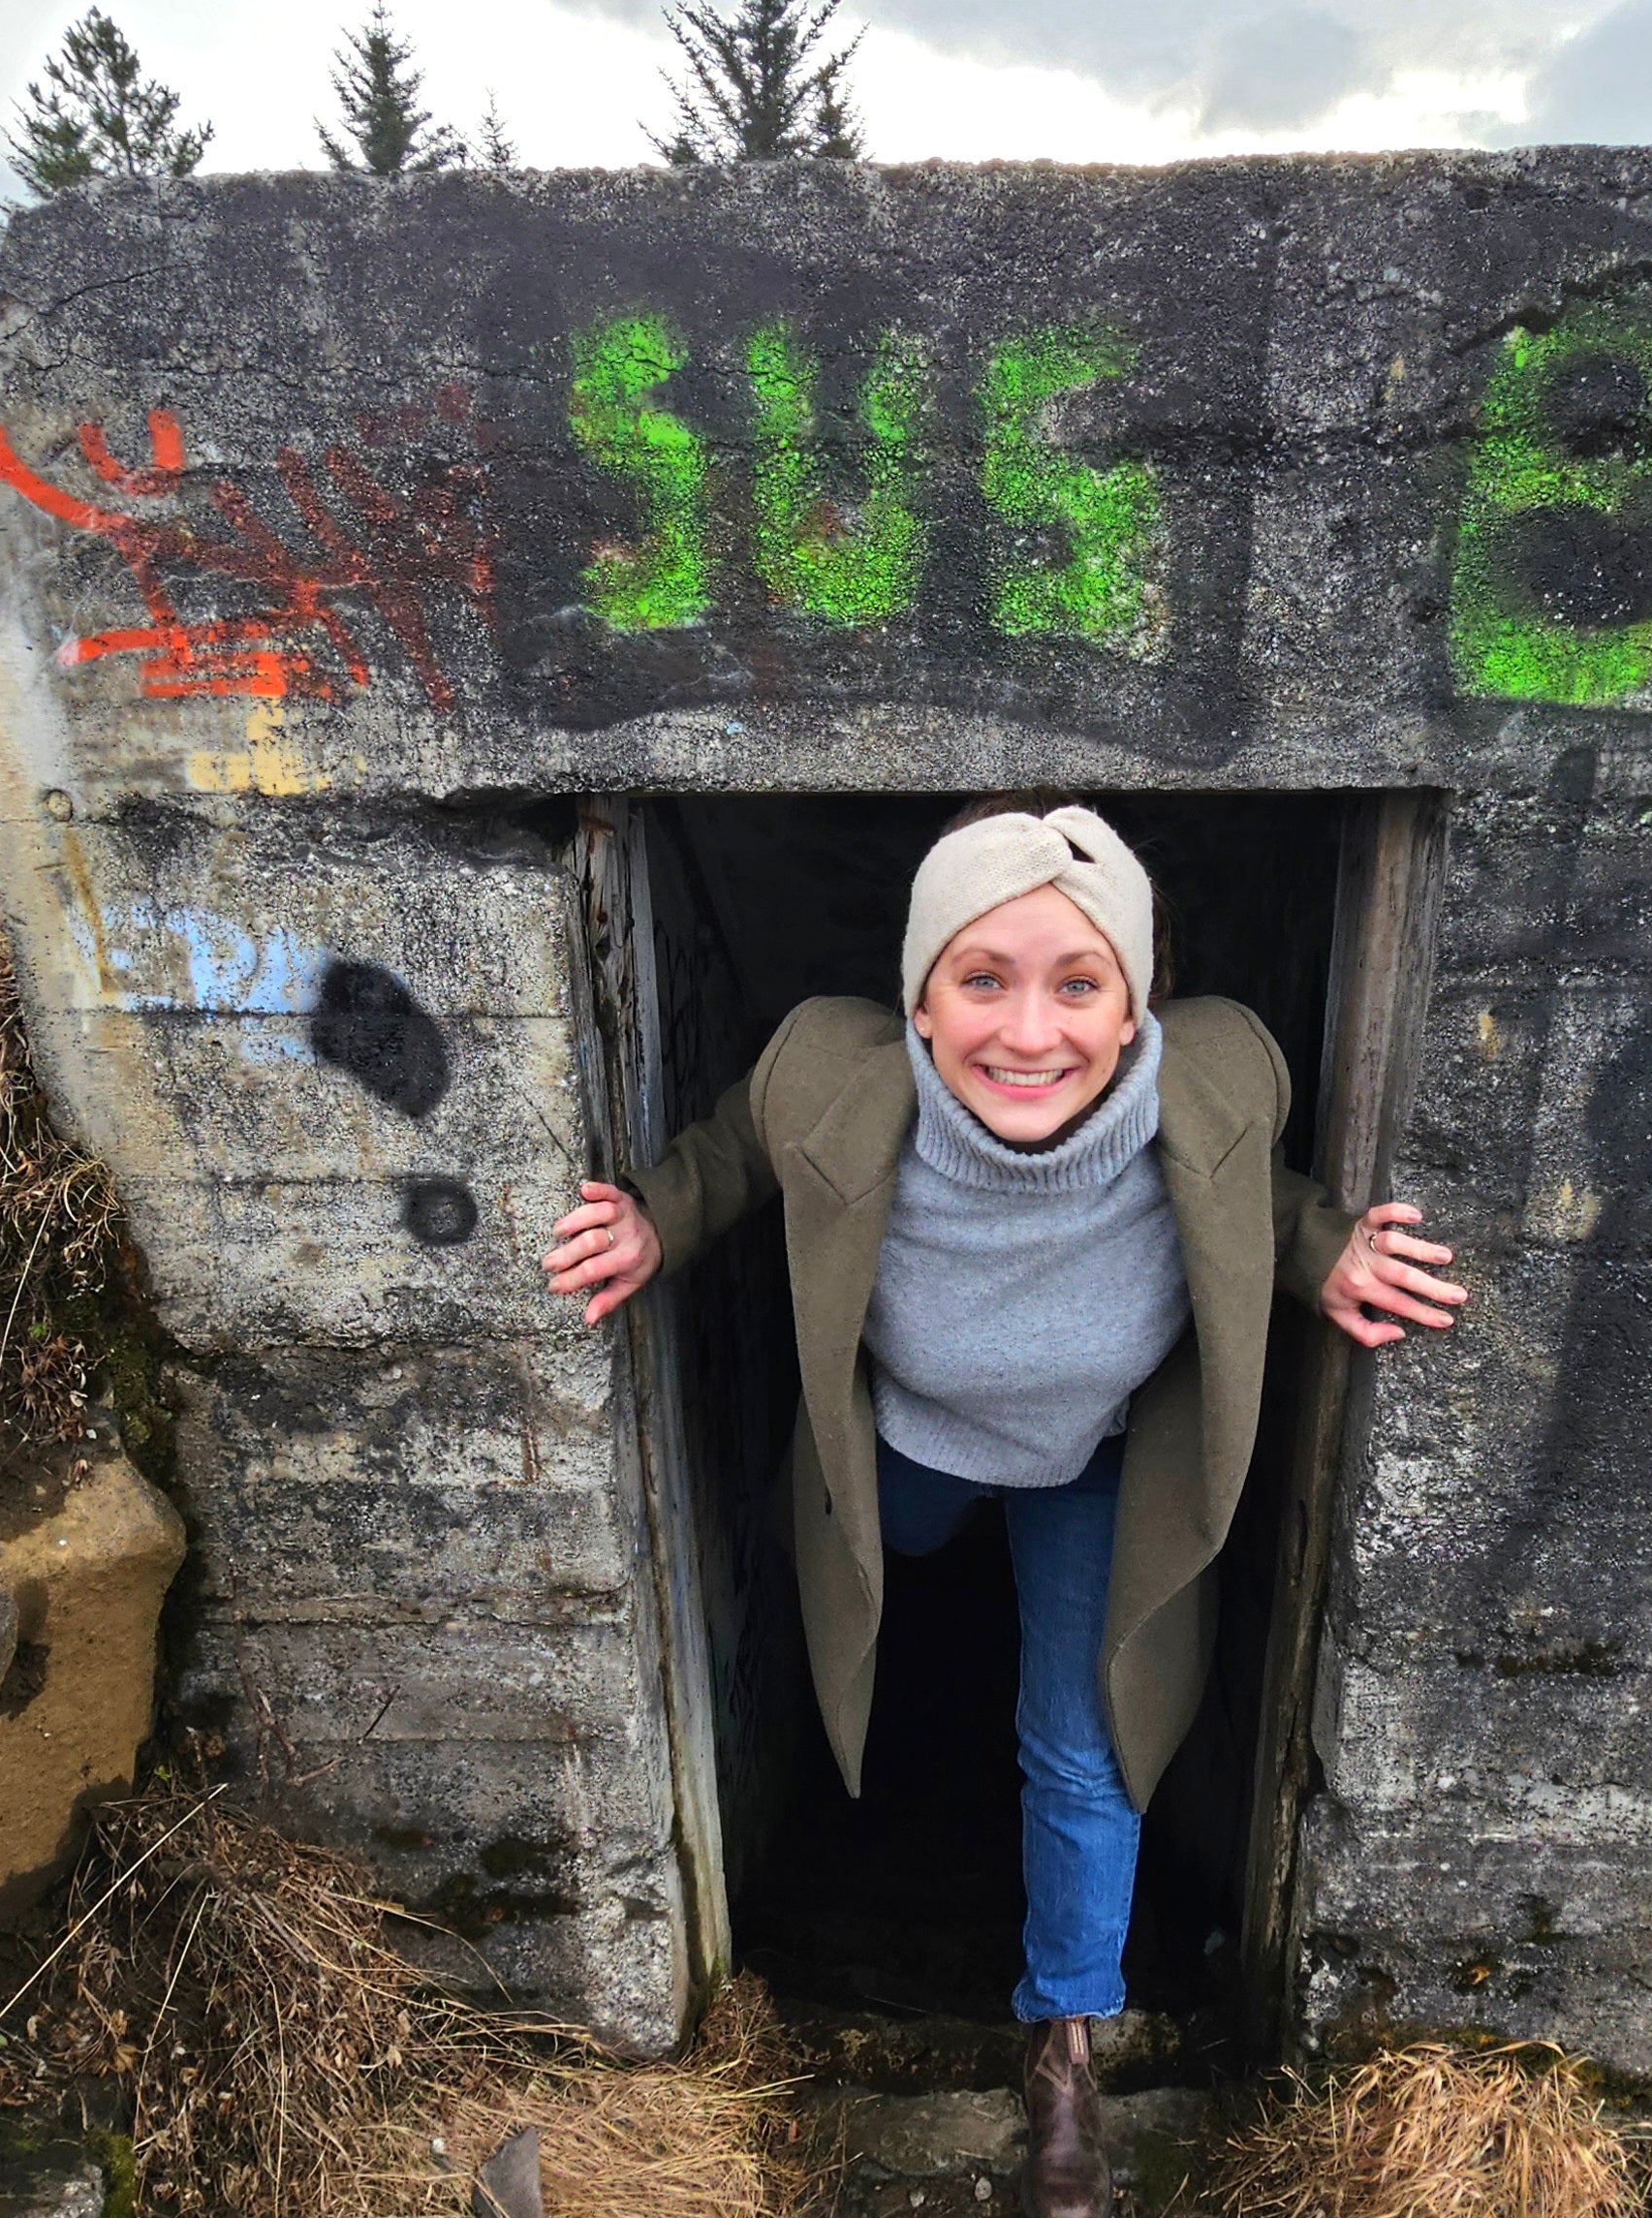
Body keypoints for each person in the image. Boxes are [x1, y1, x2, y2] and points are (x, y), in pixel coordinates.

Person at [542, 797, 1466, 2218]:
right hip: (912, 1442)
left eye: (1076, 983)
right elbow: (734, 1148)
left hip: (1098, 1456)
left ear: (1136, 1002)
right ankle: (944, 1582)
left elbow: (1253, 1197)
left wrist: (1329, 1251)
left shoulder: (1213, 1077)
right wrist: (656, 1216)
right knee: (901, 1557)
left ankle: (1064, 2054)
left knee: (1081, 1743)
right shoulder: (826, 1074)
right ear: (917, 996)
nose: (1028, 1031)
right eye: (983, 978)